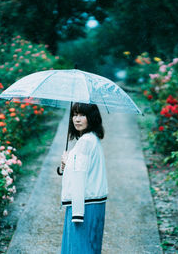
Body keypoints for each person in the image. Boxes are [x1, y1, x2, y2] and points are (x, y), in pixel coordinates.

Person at [58, 102, 108, 254]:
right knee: (90, 246)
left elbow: (79, 177)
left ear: (91, 118)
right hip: (92, 203)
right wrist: (66, 165)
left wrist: (77, 214)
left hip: (83, 205)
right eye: (75, 114)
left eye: (82, 115)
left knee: (79, 248)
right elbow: (77, 170)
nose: (77, 119)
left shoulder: (85, 142)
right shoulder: (91, 139)